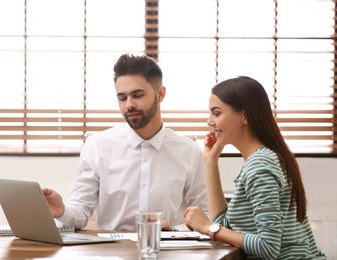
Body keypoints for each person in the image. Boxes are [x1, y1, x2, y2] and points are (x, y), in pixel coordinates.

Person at [42, 53, 208, 231]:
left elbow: (206, 216)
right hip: (112, 252)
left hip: (168, 251)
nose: (129, 105)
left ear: (160, 94)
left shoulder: (189, 151)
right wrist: (62, 211)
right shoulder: (96, 146)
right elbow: (81, 211)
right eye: (122, 98)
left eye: (137, 95)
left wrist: (175, 230)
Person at [184, 76, 326, 259]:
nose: (209, 121)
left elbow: (268, 247)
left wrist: (207, 227)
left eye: (217, 113)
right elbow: (227, 227)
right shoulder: (266, 157)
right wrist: (210, 162)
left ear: (244, 116)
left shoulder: (260, 166)